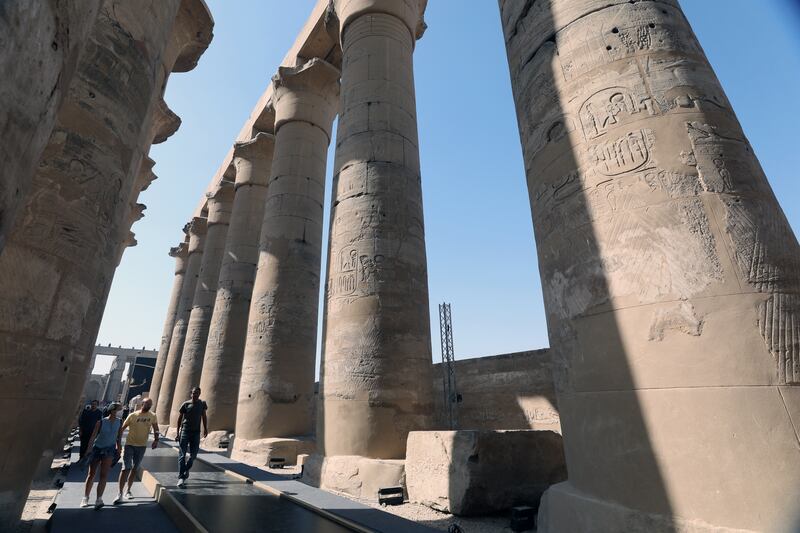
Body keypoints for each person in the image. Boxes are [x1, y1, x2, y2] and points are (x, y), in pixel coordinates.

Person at [113, 398, 159, 504]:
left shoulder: (152, 416)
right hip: (130, 445)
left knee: (135, 468)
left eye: (151, 404)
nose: (149, 405)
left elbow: (156, 428)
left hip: (142, 446)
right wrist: (118, 443)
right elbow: (122, 429)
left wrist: (156, 439)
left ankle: (128, 490)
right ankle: (119, 493)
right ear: (142, 404)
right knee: (126, 468)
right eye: (147, 403)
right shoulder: (133, 415)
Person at [81, 402, 122, 509]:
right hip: (98, 449)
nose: (118, 412)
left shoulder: (119, 422)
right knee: (91, 474)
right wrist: (88, 450)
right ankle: (85, 497)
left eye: (118, 410)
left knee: (104, 475)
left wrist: (119, 449)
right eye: (116, 410)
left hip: (110, 450)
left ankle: (99, 499)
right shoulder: (101, 422)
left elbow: (119, 437)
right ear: (111, 410)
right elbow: (93, 437)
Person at [175, 386, 208, 487]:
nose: (195, 395)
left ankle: (186, 469)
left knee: (193, 455)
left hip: (196, 433)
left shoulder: (202, 404)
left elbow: (204, 416)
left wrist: (206, 428)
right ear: (191, 394)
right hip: (185, 431)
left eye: (197, 393)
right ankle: (181, 477)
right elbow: (179, 419)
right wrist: (178, 433)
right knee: (182, 455)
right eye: (194, 393)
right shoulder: (186, 404)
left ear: (199, 394)